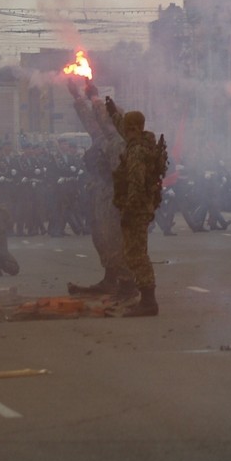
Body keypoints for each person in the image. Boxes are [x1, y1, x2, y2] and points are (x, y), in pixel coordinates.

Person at [65, 78, 137, 298]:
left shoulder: (120, 140)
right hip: (101, 193)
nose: (102, 119)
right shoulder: (103, 137)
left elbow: (101, 117)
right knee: (100, 237)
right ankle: (110, 278)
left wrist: (95, 97)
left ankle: (126, 283)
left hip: (116, 196)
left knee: (114, 238)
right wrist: (78, 97)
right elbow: (90, 121)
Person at [112, 109, 168, 317]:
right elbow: (122, 126)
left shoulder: (136, 151)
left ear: (132, 128)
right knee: (136, 252)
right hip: (144, 207)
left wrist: (128, 209)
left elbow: (135, 181)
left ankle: (148, 301)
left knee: (136, 255)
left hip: (136, 209)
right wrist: (113, 112)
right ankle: (146, 298)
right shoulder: (146, 143)